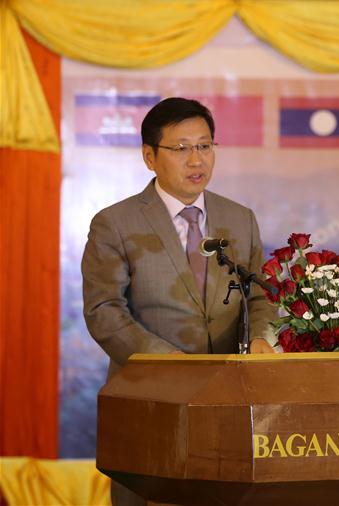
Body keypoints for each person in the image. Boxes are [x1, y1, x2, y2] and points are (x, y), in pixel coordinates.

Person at [81, 97, 277, 506]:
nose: (196, 160)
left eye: (204, 146)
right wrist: (167, 363)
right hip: (150, 401)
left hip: (230, 405)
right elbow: (104, 311)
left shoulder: (240, 218)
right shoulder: (115, 223)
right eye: (181, 148)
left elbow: (260, 293)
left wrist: (263, 337)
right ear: (150, 157)